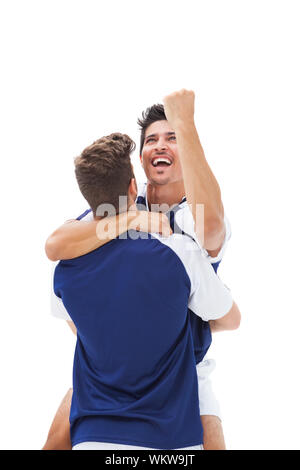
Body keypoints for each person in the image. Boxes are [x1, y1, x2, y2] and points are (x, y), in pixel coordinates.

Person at [44, 90, 237, 450]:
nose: (161, 145)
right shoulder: (122, 206)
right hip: (116, 372)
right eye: (151, 140)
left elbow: (211, 230)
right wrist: (130, 217)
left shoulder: (194, 218)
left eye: (173, 138)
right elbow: (57, 244)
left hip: (183, 371)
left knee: (211, 438)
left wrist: (186, 121)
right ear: (140, 162)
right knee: (56, 437)